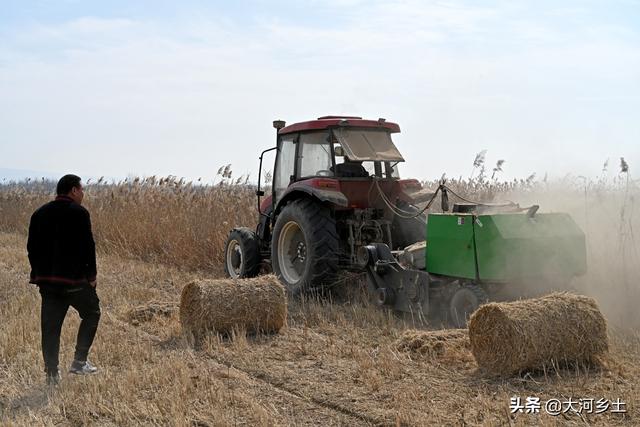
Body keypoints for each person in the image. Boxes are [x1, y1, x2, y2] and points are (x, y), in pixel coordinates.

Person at [27, 174, 100, 385]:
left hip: (48, 283)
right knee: (92, 312)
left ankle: (52, 374)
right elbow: (88, 247)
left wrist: (39, 273)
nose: (83, 194)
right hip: (74, 282)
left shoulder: (38, 213)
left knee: (50, 328)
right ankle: (79, 362)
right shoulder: (80, 213)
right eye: (82, 189)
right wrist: (91, 277)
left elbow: (31, 248)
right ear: (74, 190)